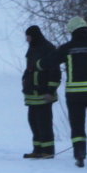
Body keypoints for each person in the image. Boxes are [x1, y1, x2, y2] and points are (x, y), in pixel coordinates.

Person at [36, 16, 87, 167]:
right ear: (86, 30)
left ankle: (79, 155)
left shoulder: (68, 47)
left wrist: (37, 64)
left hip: (74, 95)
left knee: (77, 126)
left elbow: (50, 61)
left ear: (72, 31)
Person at [21, 25, 61, 159]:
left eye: (28, 36)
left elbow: (54, 72)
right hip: (32, 94)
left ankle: (48, 150)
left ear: (34, 36)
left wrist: (51, 90)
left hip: (44, 94)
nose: (27, 39)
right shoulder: (32, 48)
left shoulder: (48, 48)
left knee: (44, 123)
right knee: (34, 122)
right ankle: (37, 149)